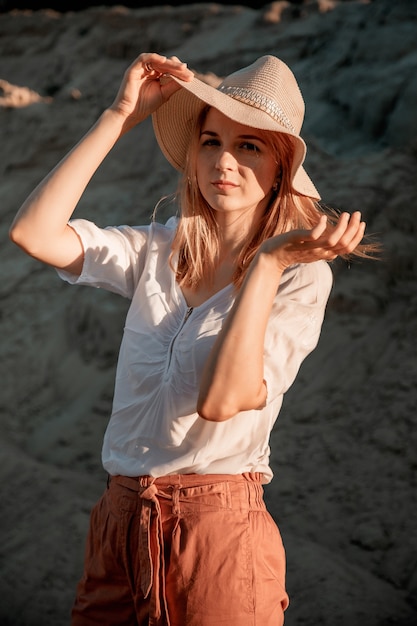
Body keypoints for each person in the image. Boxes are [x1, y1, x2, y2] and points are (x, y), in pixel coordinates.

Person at [9, 52, 370, 626]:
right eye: (210, 141)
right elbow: (33, 233)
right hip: (119, 522)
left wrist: (270, 266)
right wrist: (118, 115)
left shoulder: (302, 275)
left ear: (280, 167)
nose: (223, 160)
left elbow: (222, 400)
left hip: (216, 536)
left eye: (248, 145)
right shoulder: (158, 247)